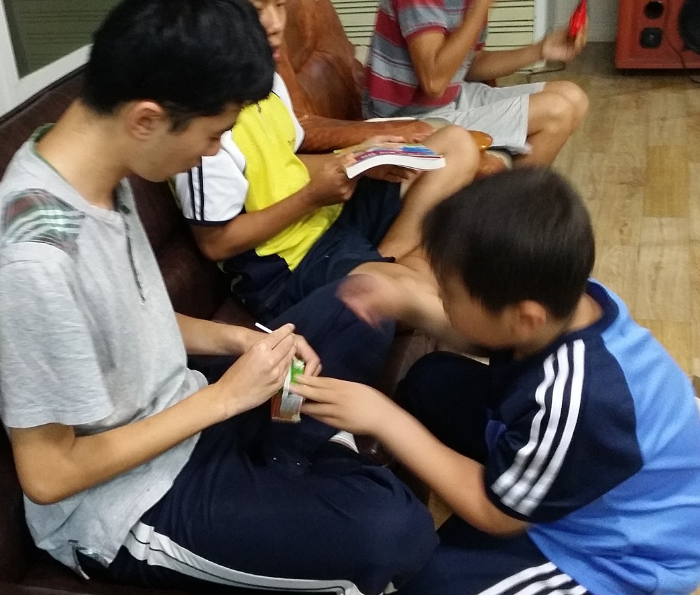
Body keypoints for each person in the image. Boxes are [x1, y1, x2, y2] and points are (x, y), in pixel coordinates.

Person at [0, 1, 438, 594]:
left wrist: (242, 340)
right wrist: (227, 397)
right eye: (212, 136)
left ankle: (291, 462)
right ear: (147, 120)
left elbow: (129, 318)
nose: (211, 154)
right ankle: (300, 464)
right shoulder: (35, 258)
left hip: (189, 409)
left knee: (363, 300)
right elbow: (48, 474)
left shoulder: (96, 168)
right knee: (395, 531)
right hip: (129, 501)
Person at [293, 168, 700, 595]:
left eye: (449, 294)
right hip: (572, 463)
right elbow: (491, 337)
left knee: (428, 583)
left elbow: (498, 516)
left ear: (524, 317)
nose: (440, 299)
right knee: (432, 380)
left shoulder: (579, 398)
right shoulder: (563, 302)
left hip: (610, 549)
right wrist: (408, 304)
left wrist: (383, 418)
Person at [173, 0, 481, 324]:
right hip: (289, 263)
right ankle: (388, 278)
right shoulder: (203, 121)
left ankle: (384, 260)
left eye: (280, 5)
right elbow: (216, 244)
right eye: (259, 10)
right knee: (424, 288)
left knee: (456, 144)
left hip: (327, 218)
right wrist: (311, 197)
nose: (276, 24)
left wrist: (359, 158)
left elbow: (285, 161)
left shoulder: (269, 78)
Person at [363, 0, 590, 166]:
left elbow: (469, 66)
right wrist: (480, 6)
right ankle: (509, 212)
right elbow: (434, 81)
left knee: (573, 96)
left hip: (451, 100)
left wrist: (541, 50)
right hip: (407, 120)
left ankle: (509, 200)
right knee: (556, 111)